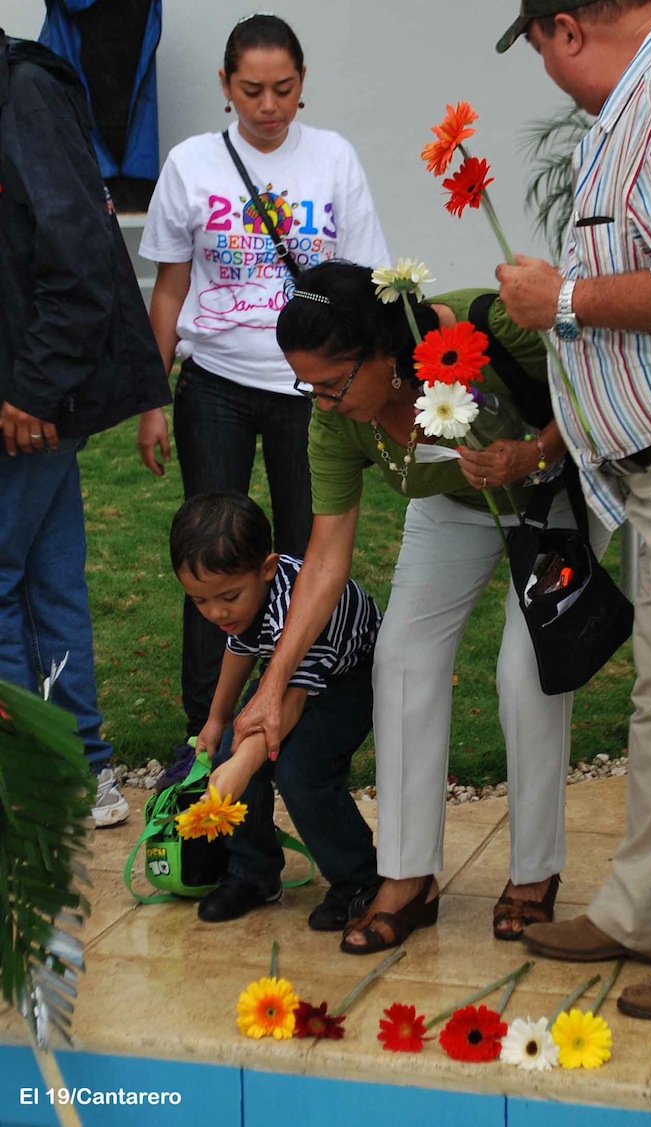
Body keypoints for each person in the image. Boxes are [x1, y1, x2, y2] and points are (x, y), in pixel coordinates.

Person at [230, 259, 610, 953]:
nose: (319, 400)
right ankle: (407, 876)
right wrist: (275, 678)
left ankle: (534, 873)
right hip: (453, 506)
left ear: (383, 350)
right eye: (304, 384)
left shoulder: (483, 329)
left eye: (331, 381)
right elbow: (325, 556)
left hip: (555, 493)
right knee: (402, 658)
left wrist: (535, 450)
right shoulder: (337, 420)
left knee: (526, 674)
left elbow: (591, 390)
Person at [495, 0, 651, 1020]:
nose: (545, 70)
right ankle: (646, 911)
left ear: (566, 29)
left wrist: (565, 298)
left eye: (536, 49)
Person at [138, 13, 389, 745]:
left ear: (303, 83)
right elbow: (168, 288)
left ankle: (295, 721)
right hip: (213, 383)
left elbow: (366, 282)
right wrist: (153, 397)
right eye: (252, 90)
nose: (269, 106)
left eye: (284, 89)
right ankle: (204, 730)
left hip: (311, 395)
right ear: (225, 86)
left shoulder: (335, 159)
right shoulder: (190, 164)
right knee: (212, 563)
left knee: (307, 558)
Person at [0, 31, 171, 825]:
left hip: (27, 398)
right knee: (45, 577)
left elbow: (75, 256)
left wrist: (34, 391)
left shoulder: (23, 92)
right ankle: (82, 770)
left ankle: (45, 773)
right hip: (27, 390)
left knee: (10, 582)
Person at [169, 492, 382, 928]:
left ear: (267, 568)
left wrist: (239, 769)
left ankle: (359, 879)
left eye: (227, 597)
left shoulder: (298, 607)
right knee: (232, 748)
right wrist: (217, 720)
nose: (216, 612)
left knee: (301, 769)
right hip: (285, 679)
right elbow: (240, 648)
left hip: (350, 679)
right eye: (200, 602)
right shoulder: (246, 600)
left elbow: (291, 702)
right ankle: (253, 873)